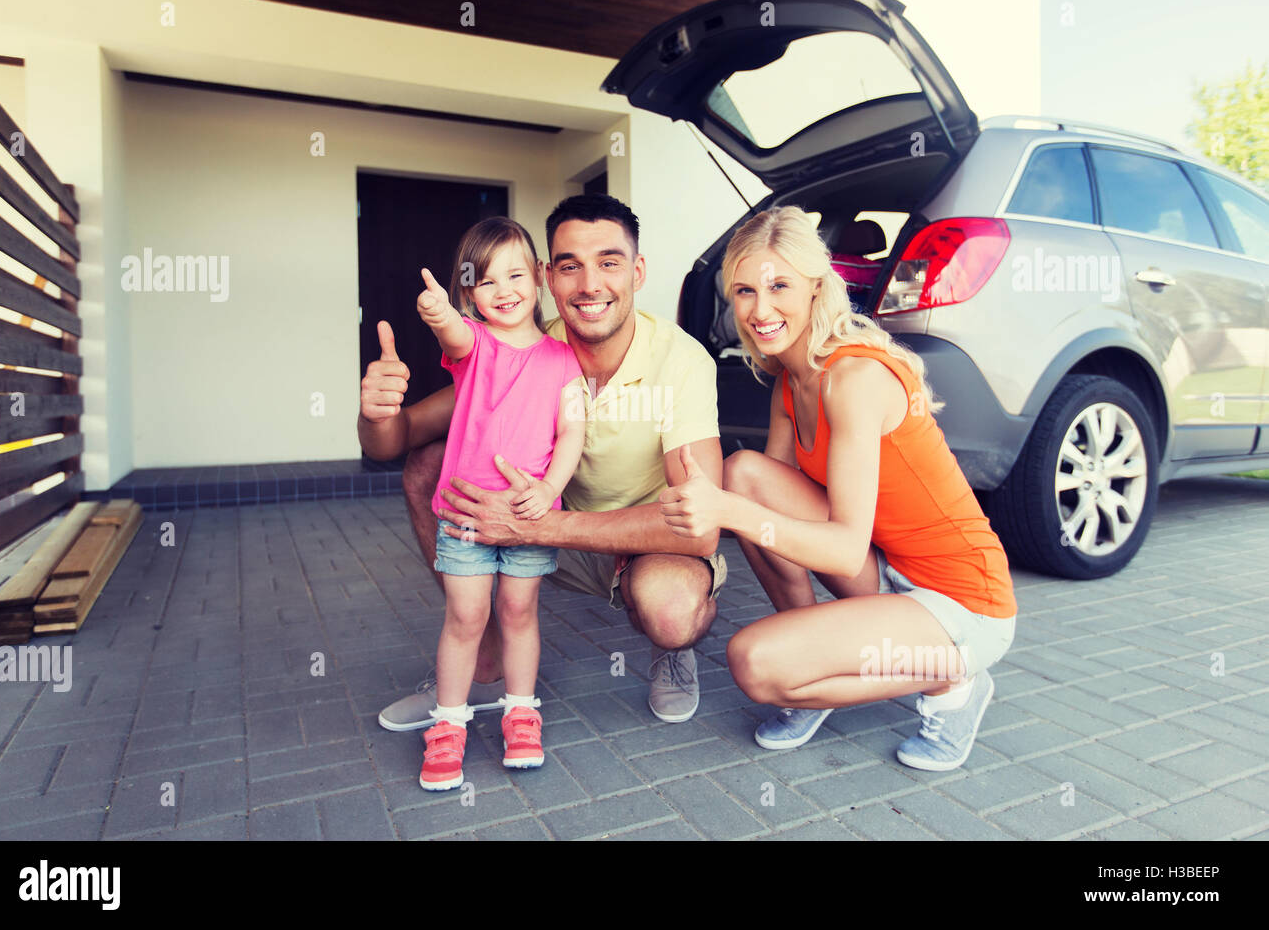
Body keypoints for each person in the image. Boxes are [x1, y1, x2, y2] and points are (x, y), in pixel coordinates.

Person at [658, 206, 1018, 771]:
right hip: (889, 574)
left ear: (817, 288)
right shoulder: (788, 382)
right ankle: (813, 663)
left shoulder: (854, 379)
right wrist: (724, 501)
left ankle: (954, 680)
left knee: (755, 663)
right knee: (745, 474)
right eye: (745, 291)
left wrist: (724, 509)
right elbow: (768, 515)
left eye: (780, 286)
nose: (761, 309)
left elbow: (844, 547)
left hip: (965, 602)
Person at [358, 194, 727, 734]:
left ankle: (670, 651)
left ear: (638, 271)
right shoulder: (522, 346)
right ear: (547, 277)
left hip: (640, 540)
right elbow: (398, 439)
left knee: (671, 610)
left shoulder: (682, 361)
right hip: (544, 529)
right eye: (571, 266)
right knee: (427, 463)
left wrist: (547, 522)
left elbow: (700, 529)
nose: (589, 285)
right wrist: (375, 414)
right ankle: (480, 659)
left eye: (609, 262)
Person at [407, 217, 585, 791]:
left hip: (532, 519)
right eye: (485, 282)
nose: (504, 290)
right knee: (466, 616)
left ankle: (521, 710)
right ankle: (450, 724)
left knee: (518, 612)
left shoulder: (563, 357)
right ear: (469, 295)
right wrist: (441, 316)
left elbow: (572, 432)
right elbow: (454, 335)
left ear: (538, 277)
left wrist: (548, 489)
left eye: (515, 274)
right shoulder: (474, 345)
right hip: (463, 515)